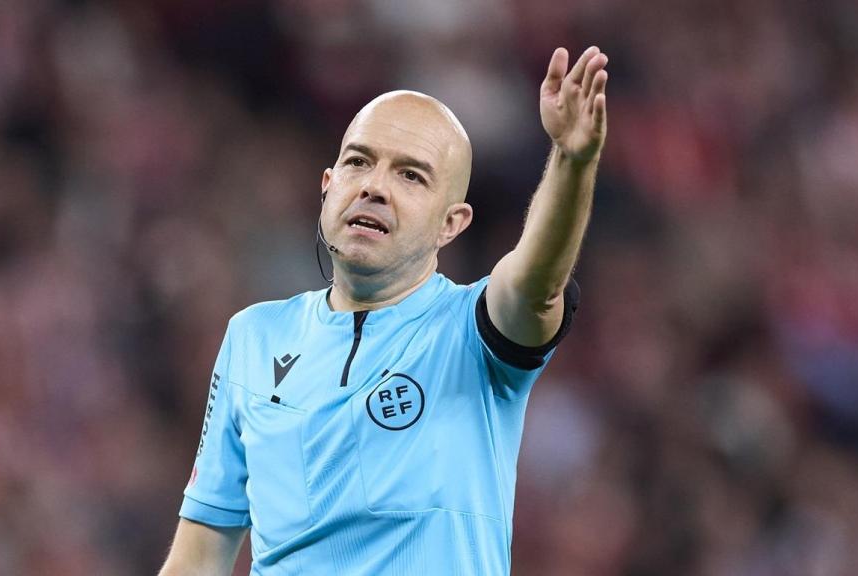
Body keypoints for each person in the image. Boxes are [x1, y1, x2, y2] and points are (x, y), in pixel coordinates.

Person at [159, 45, 609, 575]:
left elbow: (537, 282)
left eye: (410, 176)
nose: (373, 186)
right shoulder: (253, 337)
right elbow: (200, 555)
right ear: (328, 187)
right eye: (358, 162)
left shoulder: (473, 333)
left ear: (452, 223)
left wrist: (572, 160)